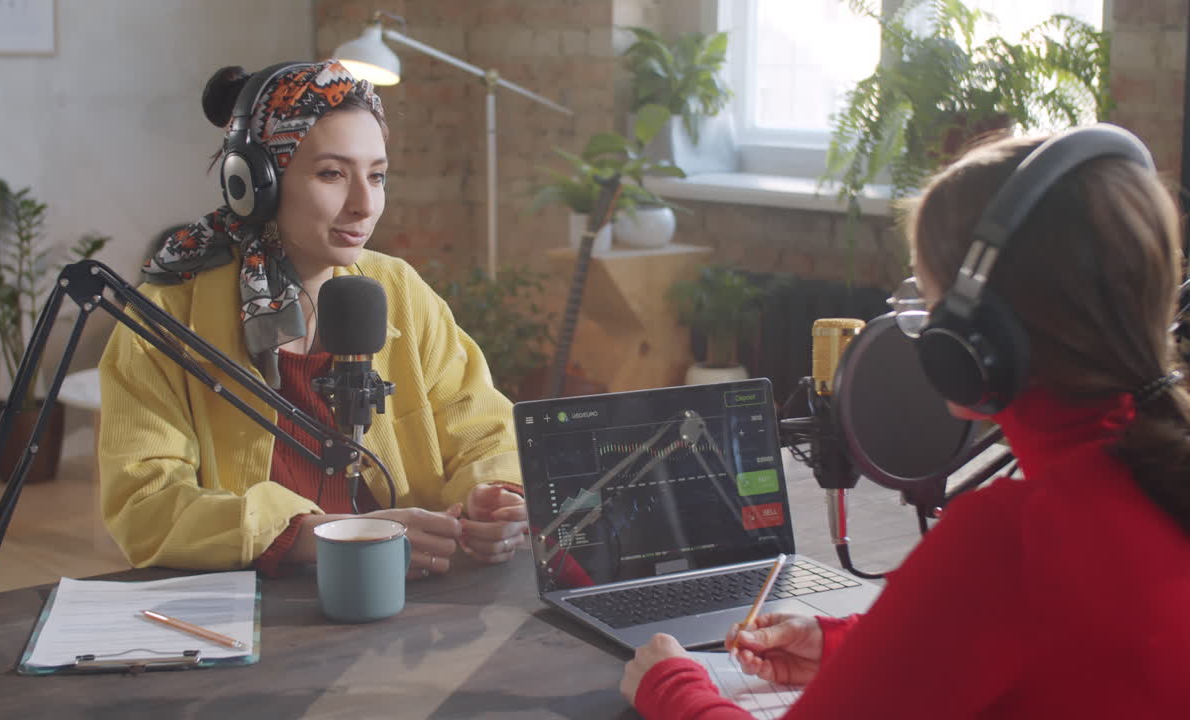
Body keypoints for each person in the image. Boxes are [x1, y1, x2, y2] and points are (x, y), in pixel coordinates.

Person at [620, 128, 1190, 718]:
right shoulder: (1156, 482)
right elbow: (1045, 648)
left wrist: (671, 685)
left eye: (929, 305)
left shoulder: (1014, 539)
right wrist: (847, 648)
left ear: (973, 339)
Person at [98, 59, 527, 580]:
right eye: (332, 174)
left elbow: (487, 430)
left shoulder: (400, 290)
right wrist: (322, 537)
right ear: (255, 183)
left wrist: (494, 498)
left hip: (414, 592)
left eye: (377, 176)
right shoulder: (165, 317)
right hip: (257, 597)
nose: (365, 205)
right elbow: (144, 505)